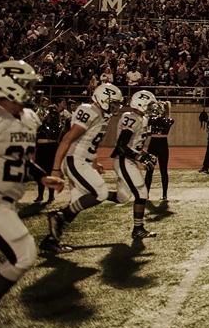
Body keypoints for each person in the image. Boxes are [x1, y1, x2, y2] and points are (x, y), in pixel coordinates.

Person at [0, 61, 66, 311]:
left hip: (5, 202)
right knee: (23, 255)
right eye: (26, 84)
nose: (31, 89)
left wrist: (42, 177)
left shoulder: (29, 117)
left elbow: (20, 158)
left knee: (22, 256)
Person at [40, 83, 125, 253]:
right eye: (113, 102)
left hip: (82, 160)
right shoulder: (89, 110)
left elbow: (88, 141)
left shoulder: (101, 114)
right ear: (103, 98)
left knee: (77, 203)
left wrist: (94, 162)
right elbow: (67, 139)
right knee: (99, 193)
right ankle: (58, 216)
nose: (115, 106)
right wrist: (55, 169)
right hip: (75, 160)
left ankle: (50, 241)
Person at [109, 89, 160, 239]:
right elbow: (121, 146)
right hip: (124, 160)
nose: (152, 107)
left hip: (128, 159)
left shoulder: (140, 118)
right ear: (141, 103)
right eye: (149, 104)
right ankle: (138, 229)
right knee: (142, 193)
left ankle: (94, 193)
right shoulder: (131, 118)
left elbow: (133, 145)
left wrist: (144, 154)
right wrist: (140, 157)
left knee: (122, 197)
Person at [145, 100, 173, 201]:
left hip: (162, 144)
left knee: (163, 170)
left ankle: (164, 194)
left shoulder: (169, 120)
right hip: (153, 144)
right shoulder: (153, 119)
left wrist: (161, 116)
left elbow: (165, 126)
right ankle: (146, 193)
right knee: (149, 170)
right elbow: (150, 122)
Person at [33, 98, 61, 204]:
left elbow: (54, 136)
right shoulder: (41, 125)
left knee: (49, 173)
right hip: (42, 149)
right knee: (41, 173)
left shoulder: (56, 125)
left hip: (50, 149)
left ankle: (51, 195)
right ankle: (40, 195)